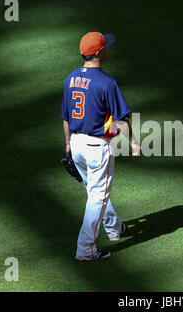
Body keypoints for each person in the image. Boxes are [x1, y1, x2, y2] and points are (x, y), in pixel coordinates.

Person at [60, 32, 141, 261]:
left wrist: (67, 144)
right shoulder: (107, 82)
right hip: (97, 147)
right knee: (97, 197)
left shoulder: (70, 78)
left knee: (95, 193)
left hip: (76, 143)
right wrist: (134, 143)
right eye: (105, 46)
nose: (108, 48)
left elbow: (66, 118)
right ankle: (86, 248)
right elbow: (121, 119)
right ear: (98, 53)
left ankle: (115, 228)